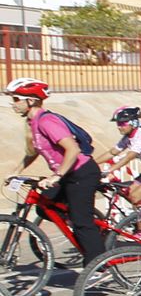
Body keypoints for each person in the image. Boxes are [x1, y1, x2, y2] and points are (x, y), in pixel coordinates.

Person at [6, 79, 105, 260]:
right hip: (67, 174)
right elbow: (33, 152)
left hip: (81, 172)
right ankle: (86, 230)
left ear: (32, 101)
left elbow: (73, 149)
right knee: (44, 207)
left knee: (82, 222)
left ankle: (99, 264)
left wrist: (56, 176)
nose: (12, 104)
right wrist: (16, 171)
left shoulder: (47, 121)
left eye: (16, 99)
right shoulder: (33, 123)